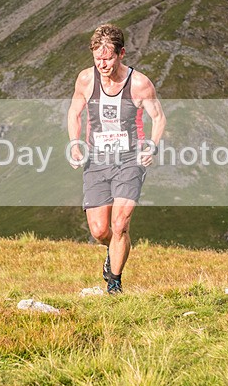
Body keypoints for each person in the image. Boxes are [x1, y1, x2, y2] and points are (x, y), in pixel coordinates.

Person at [67, 24, 166, 294]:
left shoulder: (139, 84)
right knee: (100, 230)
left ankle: (114, 282)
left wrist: (152, 147)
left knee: (120, 223)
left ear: (121, 54)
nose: (102, 64)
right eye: (98, 58)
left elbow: (158, 118)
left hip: (129, 159)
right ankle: (113, 248)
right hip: (96, 160)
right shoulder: (86, 80)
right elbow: (74, 113)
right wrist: (75, 143)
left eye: (108, 58)